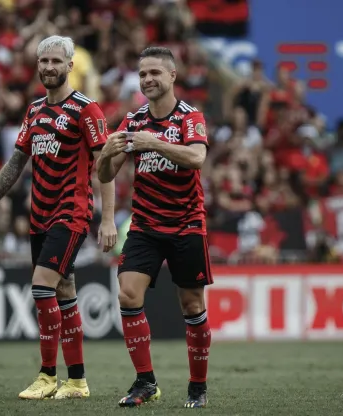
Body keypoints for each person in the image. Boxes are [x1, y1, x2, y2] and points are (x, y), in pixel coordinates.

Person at [0, 35, 117, 400]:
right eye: (44, 61)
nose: (49, 67)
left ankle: (47, 375)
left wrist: (109, 218)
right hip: (40, 215)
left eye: (56, 61)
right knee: (64, 289)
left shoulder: (87, 110)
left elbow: (106, 166)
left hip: (72, 213)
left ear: (70, 66)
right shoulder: (34, 110)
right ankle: (78, 382)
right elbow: (16, 162)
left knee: (41, 287)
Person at [96, 46, 213, 409]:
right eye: (143, 74)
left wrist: (155, 143)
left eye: (154, 73)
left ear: (172, 76)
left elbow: (197, 158)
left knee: (192, 305)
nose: (147, 79)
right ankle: (145, 381)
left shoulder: (189, 117)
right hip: (145, 224)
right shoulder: (132, 121)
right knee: (128, 295)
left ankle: (197, 387)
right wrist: (105, 154)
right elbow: (105, 174)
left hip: (186, 223)